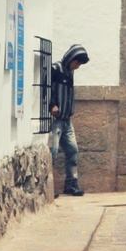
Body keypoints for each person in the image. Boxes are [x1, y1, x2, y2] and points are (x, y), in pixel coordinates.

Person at [49, 44, 89, 196]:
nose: (78, 66)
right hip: (57, 120)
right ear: (71, 58)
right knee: (53, 151)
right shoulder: (55, 69)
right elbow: (48, 88)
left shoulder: (70, 72)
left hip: (67, 120)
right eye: (77, 62)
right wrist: (52, 105)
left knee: (73, 150)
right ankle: (49, 188)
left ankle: (71, 184)